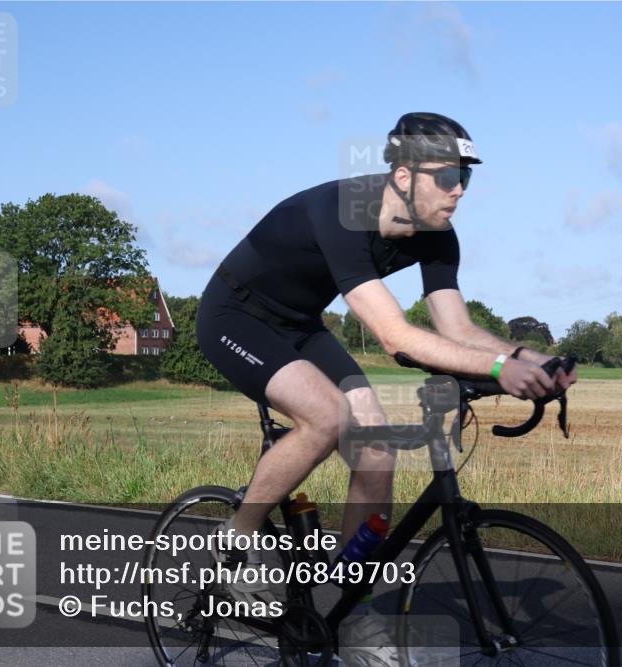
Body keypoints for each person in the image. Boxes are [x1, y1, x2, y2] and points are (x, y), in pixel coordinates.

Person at [195, 111, 577, 660]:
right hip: (235, 315)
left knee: (376, 447)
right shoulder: (346, 212)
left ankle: (355, 613)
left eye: (466, 179)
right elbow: (395, 335)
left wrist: (527, 359)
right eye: (447, 177)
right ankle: (236, 539)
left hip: (300, 325)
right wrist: (496, 369)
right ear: (403, 176)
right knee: (327, 416)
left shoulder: (438, 237)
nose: (459, 192)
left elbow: (458, 329)